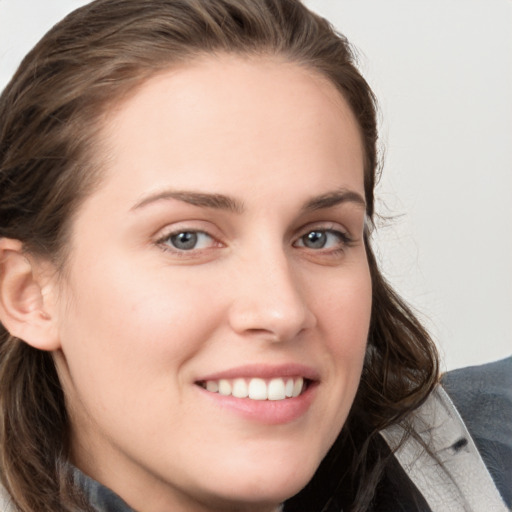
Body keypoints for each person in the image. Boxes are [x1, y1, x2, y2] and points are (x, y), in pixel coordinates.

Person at [0, 1, 509, 511]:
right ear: (28, 296)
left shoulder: (487, 457)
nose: (281, 311)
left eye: (319, 237)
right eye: (187, 238)